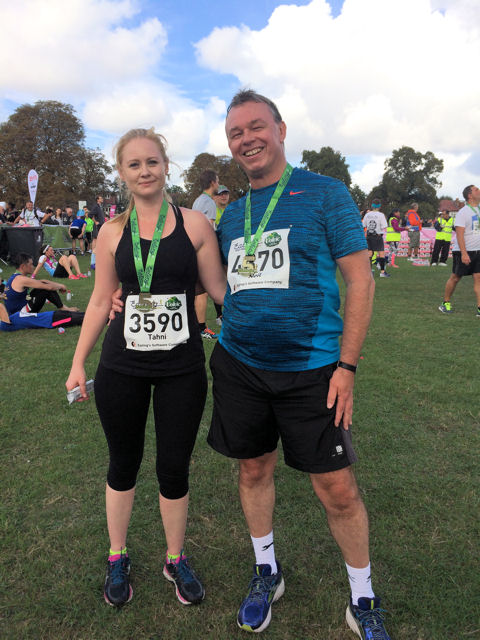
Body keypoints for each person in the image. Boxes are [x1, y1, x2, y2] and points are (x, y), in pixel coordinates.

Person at [207, 90, 389, 639]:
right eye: (236, 133)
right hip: (240, 364)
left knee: (337, 489)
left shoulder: (326, 194)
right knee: (253, 469)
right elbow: (214, 282)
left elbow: (359, 279)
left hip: (313, 370)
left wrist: (347, 367)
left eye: (256, 127)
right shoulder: (232, 213)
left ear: (281, 130)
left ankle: (363, 598)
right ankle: (267, 571)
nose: (247, 139)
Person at [65, 127, 226, 608]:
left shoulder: (196, 225)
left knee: (174, 467)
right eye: (133, 164)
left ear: (166, 165)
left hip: (181, 367)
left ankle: (175, 559)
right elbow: (98, 302)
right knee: (123, 462)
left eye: (152, 161)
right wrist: (78, 362)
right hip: (122, 365)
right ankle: (118, 555)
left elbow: (218, 291)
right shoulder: (112, 233)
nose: (144, 171)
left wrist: (264, 313)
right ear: (122, 173)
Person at [439, 185, 480, 315]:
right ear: (469, 195)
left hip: (478, 251)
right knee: (456, 277)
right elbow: (459, 234)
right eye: (476, 190)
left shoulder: (479, 209)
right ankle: (445, 303)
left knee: (478, 277)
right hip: (463, 251)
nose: (479, 191)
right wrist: (464, 253)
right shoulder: (463, 212)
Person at [192, 169, 220, 339]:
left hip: (193, 249)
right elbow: (209, 230)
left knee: (196, 290)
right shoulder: (209, 203)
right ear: (212, 183)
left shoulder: (197, 201)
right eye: (217, 181)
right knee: (201, 292)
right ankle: (201, 328)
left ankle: (196, 325)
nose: (218, 184)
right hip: (202, 251)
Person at [5, 252, 78, 316]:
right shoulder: (21, 279)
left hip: (15, 311)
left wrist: (61, 286)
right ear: (23, 266)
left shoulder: (16, 277)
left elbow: (43, 281)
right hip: (19, 314)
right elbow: (48, 287)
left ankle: (64, 308)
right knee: (45, 288)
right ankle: (64, 308)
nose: (33, 267)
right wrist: (60, 286)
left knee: (44, 285)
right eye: (31, 264)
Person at [0, 297, 84, 332]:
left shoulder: (10, 318)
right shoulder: (4, 324)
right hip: (51, 321)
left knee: (83, 315)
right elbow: (1, 307)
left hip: (52, 314)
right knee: (83, 319)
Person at [213, 185, 230, 325]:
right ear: (215, 196)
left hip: (230, 250)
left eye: (226, 193)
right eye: (220, 194)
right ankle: (219, 316)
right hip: (216, 251)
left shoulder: (232, 210)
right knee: (218, 282)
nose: (223, 196)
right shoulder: (213, 211)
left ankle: (230, 312)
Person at [362, 199, 390, 277]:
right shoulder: (381, 215)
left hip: (369, 236)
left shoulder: (367, 215)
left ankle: (369, 272)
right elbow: (384, 226)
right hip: (377, 236)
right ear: (379, 206)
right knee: (381, 253)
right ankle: (382, 272)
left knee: (369, 253)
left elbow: (363, 225)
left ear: (372, 205)